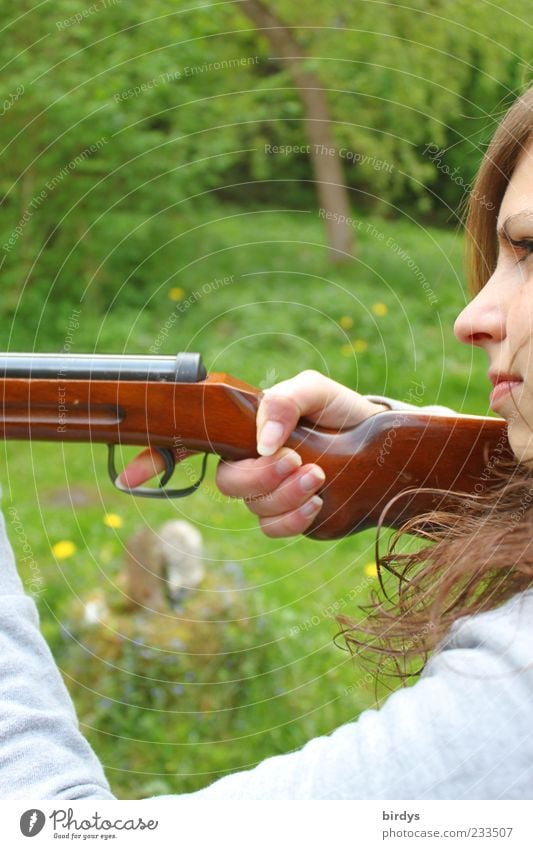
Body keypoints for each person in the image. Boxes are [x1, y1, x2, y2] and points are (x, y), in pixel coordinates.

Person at [2, 85, 533, 800]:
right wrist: (388, 453)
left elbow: (46, 826)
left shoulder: (512, 702)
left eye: (529, 250)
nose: (472, 314)